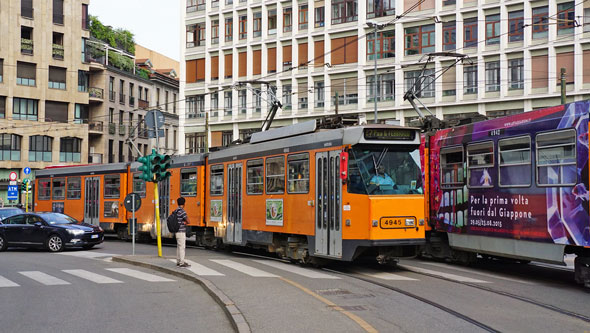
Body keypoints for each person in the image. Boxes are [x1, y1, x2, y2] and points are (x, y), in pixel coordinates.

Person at [175, 197, 191, 268]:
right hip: (181, 231)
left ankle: (178, 261)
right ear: (184, 203)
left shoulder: (176, 211)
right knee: (182, 247)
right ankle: (182, 263)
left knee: (178, 247)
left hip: (176, 231)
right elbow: (188, 221)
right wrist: (185, 222)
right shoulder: (182, 211)